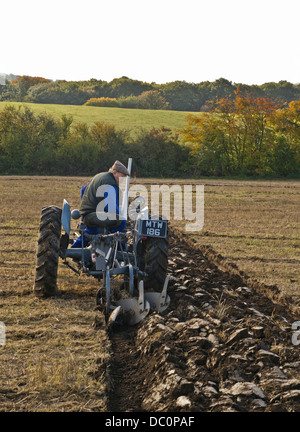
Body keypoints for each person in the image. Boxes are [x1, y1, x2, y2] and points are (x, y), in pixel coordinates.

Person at [80, 160, 130, 229]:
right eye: (122, 177)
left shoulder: (100, 176)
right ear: (114, 172)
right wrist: (121, 216)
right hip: (93, 215)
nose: (123, 180)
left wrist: (86, 207)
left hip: (86, 214)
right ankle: (118, 239)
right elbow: (112, 208)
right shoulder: (110, 184)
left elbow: (83, 190)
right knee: (121, 222)